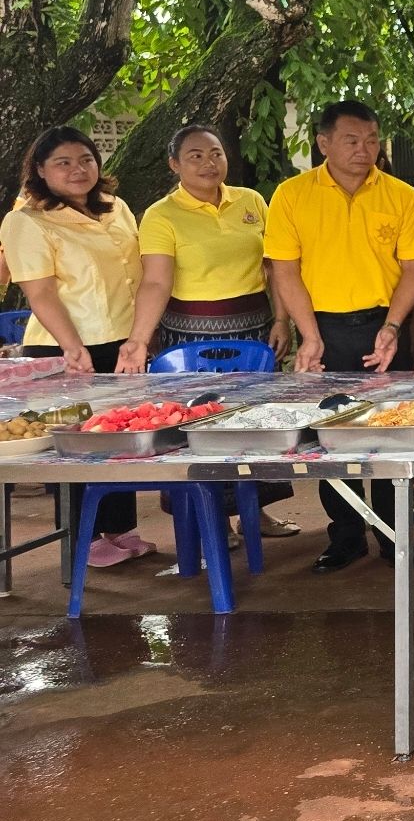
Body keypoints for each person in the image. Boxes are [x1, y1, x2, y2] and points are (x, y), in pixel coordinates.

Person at [267, 99, 414, 572]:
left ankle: (395, 533)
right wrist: (308, 335)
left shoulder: (400, 194)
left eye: (373, 140)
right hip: (325, 327)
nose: (365, 150)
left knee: (395, 433)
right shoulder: (292, 195)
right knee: (332, 439)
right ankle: (345, 535)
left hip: (385, 325)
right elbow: (285, 270)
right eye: (352, 140)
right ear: (323, 143)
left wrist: (394, 326)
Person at [2, 127, 146, 566]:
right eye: (62, 162)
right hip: (64, 349)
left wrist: (141, 335)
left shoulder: (116, 208)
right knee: (77, 444)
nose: (77, 169)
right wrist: (72, 346)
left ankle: (119, 532)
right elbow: (40, 292)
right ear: (41, 171)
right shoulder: (26, 220)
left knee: (120, 437)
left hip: (121, 342)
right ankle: (84, 539)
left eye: (85, 159)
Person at [119, 125, 289, 369]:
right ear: (174, 164)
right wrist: (138, 340)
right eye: (196, 156)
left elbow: (273, 266)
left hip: (256, 329)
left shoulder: (251, 200)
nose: (209, 163)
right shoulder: (161, 215)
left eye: (216, 154)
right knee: (194, 405)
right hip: (189, 335)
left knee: (258, 402)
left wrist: (282, 320)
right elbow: (156, 281)